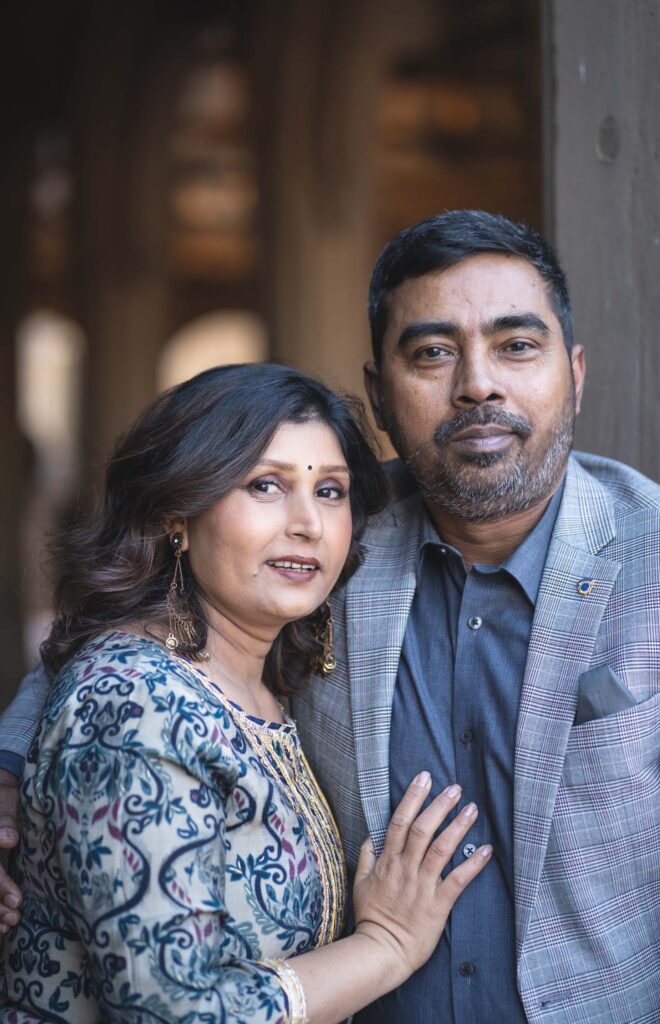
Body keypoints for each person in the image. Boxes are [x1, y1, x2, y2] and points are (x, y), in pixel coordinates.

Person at [2, 207, 660, 1021]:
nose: (477, 384)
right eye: (431, 352)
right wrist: (11, 772)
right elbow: (120, 653)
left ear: (573, 371)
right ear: (379, 395)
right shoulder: (335, 535)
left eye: (516, 346)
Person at [0, 362, 490, 1023]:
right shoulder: (136, 703)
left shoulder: (258, 679)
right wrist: (387, 946)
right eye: (265, 485)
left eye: (330, 491)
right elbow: (177, 1013)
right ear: (176, 512)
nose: (308, 523)